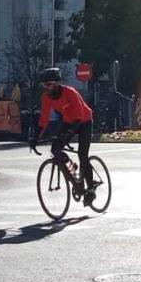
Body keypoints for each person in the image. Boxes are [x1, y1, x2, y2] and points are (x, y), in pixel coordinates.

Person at [30, 68, 97, 200]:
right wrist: (35, 137)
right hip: (69, 121)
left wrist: (68, 134)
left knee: (82, 155)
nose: (46, 88)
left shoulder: (70, 92)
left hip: (84, 121)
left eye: (48, 84)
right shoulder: (46, 97)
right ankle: (73, 171)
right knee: (55, 149)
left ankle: (90, 189)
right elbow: (44, 119)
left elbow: (79, 116)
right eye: (44, 85)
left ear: (56, 83)